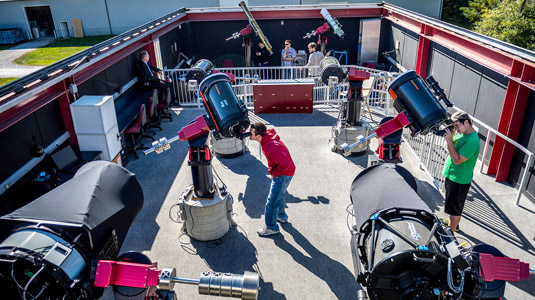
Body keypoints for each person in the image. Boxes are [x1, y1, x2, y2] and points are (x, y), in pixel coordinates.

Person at [249, 122, 295, 237]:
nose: (249, 135)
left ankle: (271, 227)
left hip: (283, 174)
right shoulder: (267, 137)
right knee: (279, 195)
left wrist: (275, 173)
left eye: (251, 134)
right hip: (285, 173)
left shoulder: (271, 146)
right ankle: (281, 216)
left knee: (272, 201)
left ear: (258, 136)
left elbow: (285, 164)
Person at [441, 111, 480, 233]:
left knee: (455, 210)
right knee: (453, 207)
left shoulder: (472, 141)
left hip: (459, 179)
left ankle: (450, 235)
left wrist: (449, 142)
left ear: (466, 122)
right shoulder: (462, 132)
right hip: (452, 175)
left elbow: (457, 160)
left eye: (457, 125)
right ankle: (454, 224)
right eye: (454, 126)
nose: (455, 129)